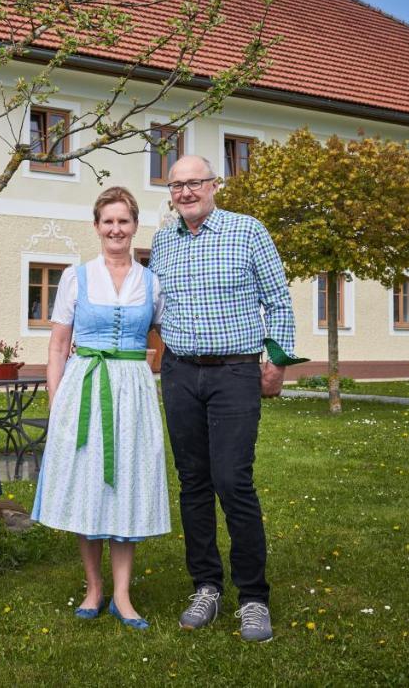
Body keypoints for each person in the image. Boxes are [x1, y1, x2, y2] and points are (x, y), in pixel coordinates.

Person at [149, 155, 303, 643]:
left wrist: (276, 362)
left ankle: (253, 597)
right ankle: (206, 586)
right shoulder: (162, 242)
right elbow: (155, 306)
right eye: (177, 185)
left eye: (195, 182)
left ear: (215, 185)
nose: (186, 192)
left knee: (233, 479)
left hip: (235, 371)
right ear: (170, 193)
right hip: (179, 373)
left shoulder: (247, 231)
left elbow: (278, 299)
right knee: (193, 481)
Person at [31, 186, 170, 630]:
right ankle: (94, 588)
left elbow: (162, 335)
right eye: (108, 221)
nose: (116, 229)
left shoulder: (151, 281)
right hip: (84, 387)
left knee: (127, 485)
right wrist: (59, 403)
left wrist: (143, 375)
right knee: (88, 487)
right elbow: (56, 346)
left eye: (123, 221)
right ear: (96, 227)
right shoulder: (76, 277)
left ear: (134, 227)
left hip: (132, 390)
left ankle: (123, 596)